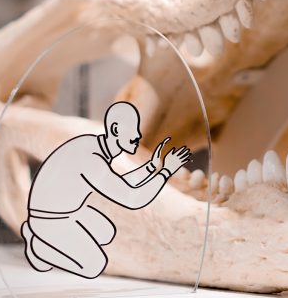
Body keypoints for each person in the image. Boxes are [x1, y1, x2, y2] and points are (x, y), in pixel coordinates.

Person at [21, 101, 191, 278]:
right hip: (49, 219)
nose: (139, 135)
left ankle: (45, 238)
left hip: (70, 211)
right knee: (94, 266)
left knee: (106, 233)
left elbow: (119, 186)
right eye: (134, 128)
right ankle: (37, 248)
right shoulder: (92, 158)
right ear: (116, 129)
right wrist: (166, 171)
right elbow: (132, 199)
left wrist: (151, 167)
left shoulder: (94, 146)